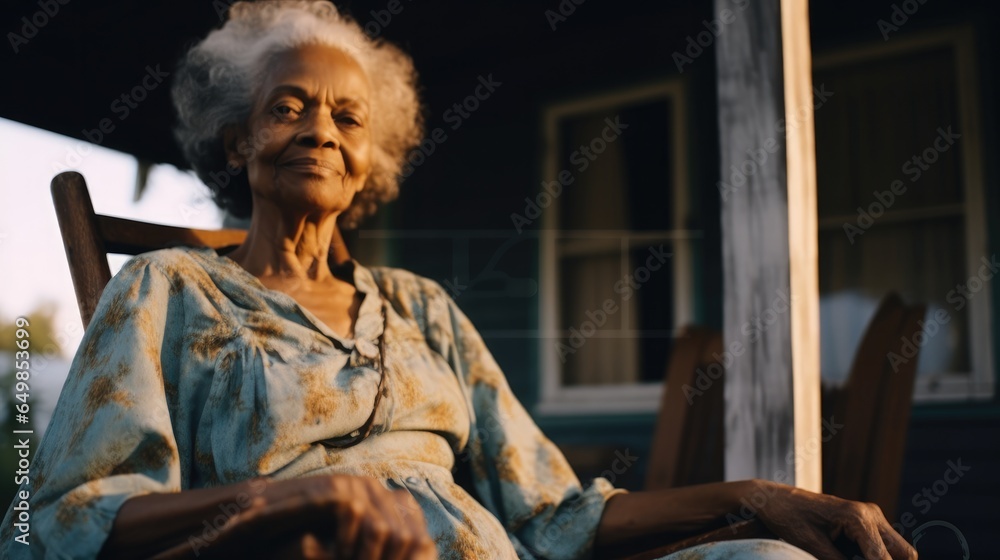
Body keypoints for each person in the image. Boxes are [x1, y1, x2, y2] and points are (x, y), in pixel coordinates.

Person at [1, 2, 918, 559]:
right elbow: (76, 513)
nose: (321, 128)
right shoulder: (170, 290)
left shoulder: (422, 308)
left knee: (770, 557)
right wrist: (278, 499)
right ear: (238, 143)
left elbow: (553, 515)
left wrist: (754, 495)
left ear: (370, 163)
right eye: (289, 108)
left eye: (347, 117)